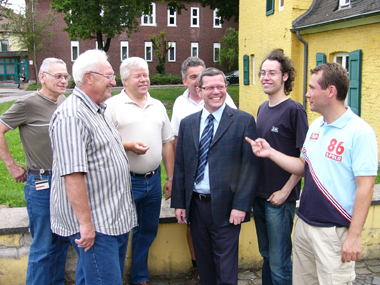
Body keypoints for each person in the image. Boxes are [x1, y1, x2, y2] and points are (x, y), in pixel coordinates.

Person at [246, 62, 378, 284]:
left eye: (312, 88)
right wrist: (270, 153)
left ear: (331, 91)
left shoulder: (360, 132)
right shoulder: (317, 127)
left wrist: (354, 236)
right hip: (305, 224)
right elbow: (303, 167)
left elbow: (366, 187)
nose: (307, 94)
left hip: (334, 230)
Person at [49, 49, 137, 285]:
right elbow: (72, 174)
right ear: (89, 78)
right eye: (108, 75)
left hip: (112, 218)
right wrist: (86, 226)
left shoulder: (98, 110)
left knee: (91, 279)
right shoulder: (72, 116)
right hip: (96, 226)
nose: (113, 81)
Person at [171, 67, 259, 285]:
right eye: (209, 87)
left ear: (226, 88)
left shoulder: (243, 121)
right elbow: (181, 166)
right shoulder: (188, 123)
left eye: (220, 86)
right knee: (205, 266)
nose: (216, 91)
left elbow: (250, 168)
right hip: (197, 207)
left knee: (225, 268)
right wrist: (180, 203)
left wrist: (241, 205)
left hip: (227, 207)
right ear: (199, 91)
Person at [0, 58, 71, 285]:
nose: (63, 80)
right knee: (43, 245)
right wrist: (11, 165)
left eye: (65, 76)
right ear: (42, 77)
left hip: (66, 181)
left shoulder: (64, 101)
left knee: (61, 241)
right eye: (57, 76)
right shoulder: (27, 103)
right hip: (41, 182)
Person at [105, 57, 174, 285]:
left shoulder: (157, 105)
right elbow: (102, 143)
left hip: (153, 180)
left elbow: (166, 143)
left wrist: (170, 177)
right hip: (124, 181)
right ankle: (113, 278)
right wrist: (128, 146)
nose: (144, 79)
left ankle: (140, 276)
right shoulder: (112, 106)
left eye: (146, 74)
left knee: (148, 230)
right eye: (138, 76)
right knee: (121, 232)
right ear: (125, 80)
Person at [253, 49, 308, 285]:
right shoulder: (262, 108)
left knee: (280, 263)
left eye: (272, 73)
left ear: (285, 76)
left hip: (280, 199)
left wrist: (286, 191)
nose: (265, 77)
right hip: (260, 196)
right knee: (266, 257)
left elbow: (305, 161)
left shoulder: (295, 110)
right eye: (263, 72)